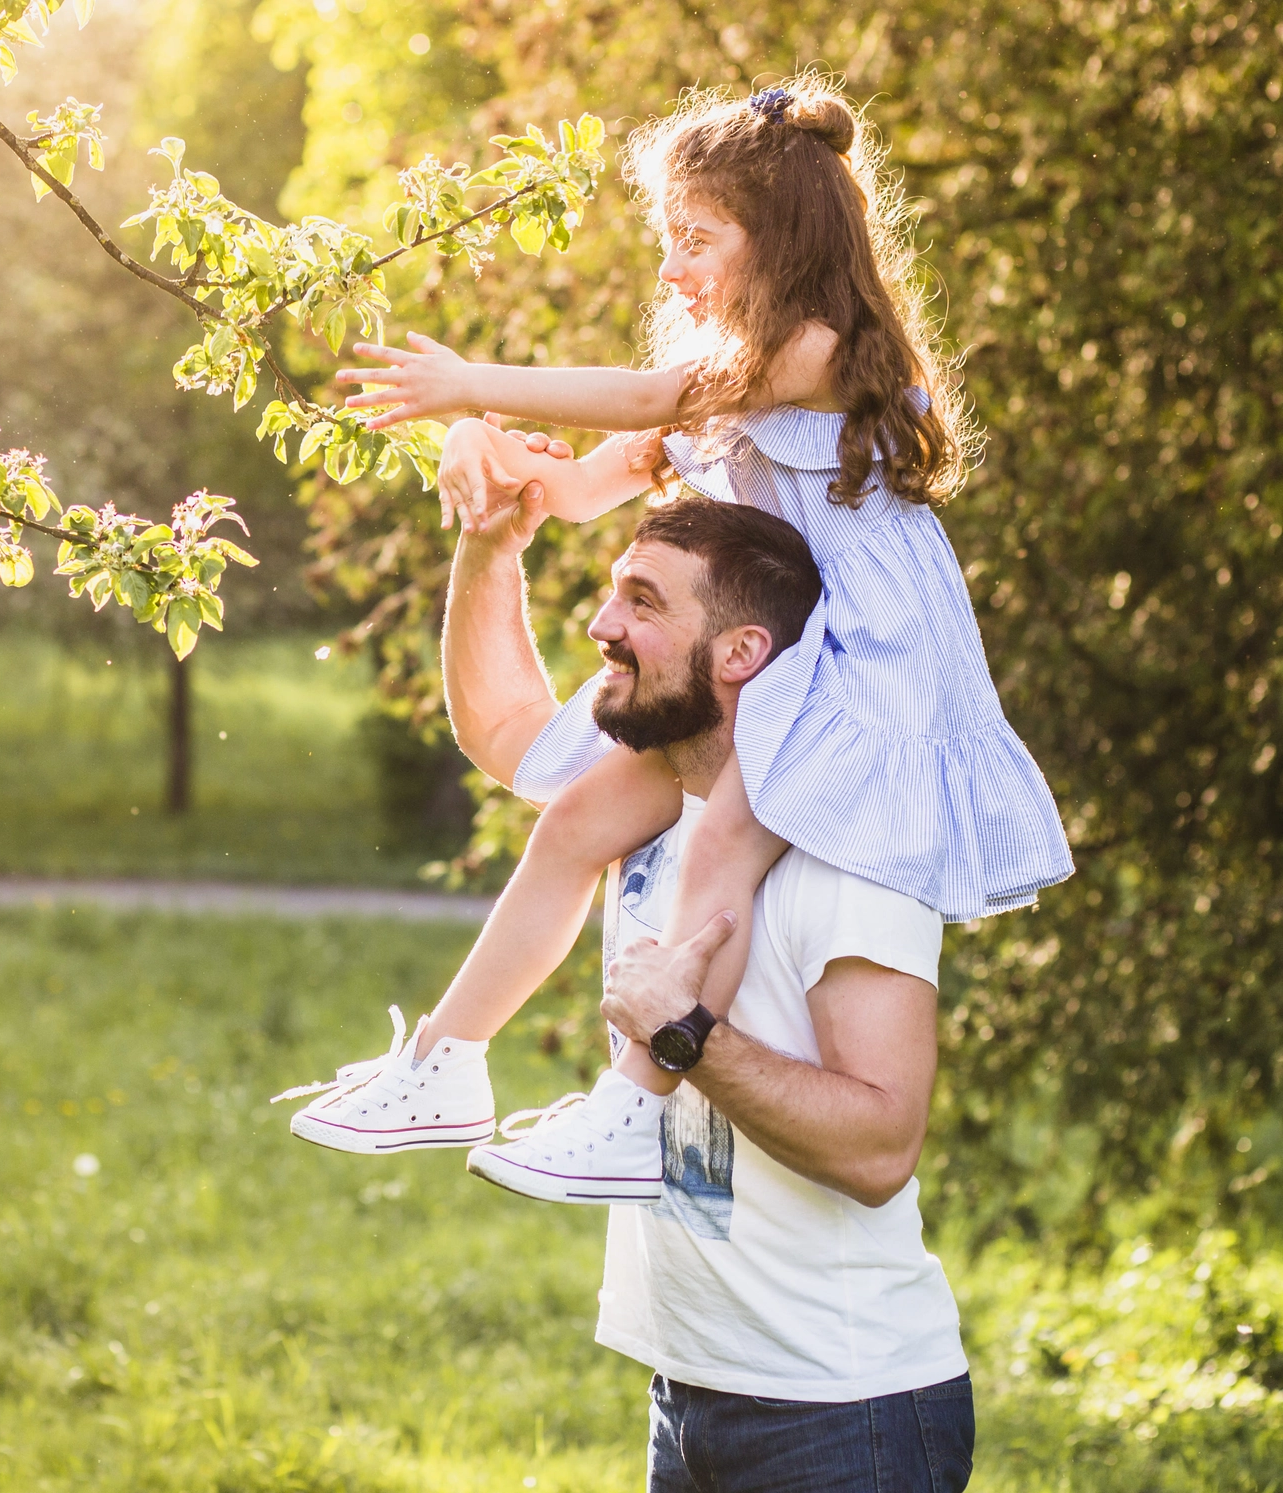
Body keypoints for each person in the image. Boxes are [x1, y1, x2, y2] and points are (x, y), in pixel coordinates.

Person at [280, 76, 1070, 1194]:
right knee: (572, 824)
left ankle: (634, 1105)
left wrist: (471, 377)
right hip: (770, 666)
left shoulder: (815, 348)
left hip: (856, 672)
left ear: (782, 242)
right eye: (667, 237)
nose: (670, 265)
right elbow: (577, 488)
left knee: (716, 850)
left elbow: (655, 396)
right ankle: (445, 1058)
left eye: (695, 238)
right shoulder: (727, 394)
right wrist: (489, 455)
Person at [486, 493, 976, 1487]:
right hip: (685, 1390)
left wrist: (684, 1037)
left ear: (740, 652)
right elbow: (505, 740)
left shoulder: (846, 856)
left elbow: (881, 1145)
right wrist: (484, 540)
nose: (600, 626)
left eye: (641, 602)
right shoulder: (658, 823)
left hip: (842, 1413)